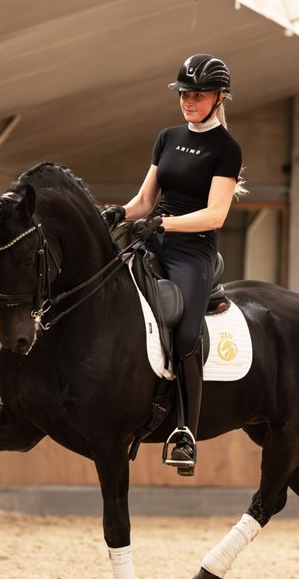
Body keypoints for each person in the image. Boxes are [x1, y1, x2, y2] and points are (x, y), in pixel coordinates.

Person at [102, 54, 244, 476]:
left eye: (197, 95)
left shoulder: (226, 150)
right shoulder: (166, 137)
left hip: (192, 251)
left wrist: (163, 222)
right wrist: (116, 213)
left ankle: (184, 430)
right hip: (152, 238)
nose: (188, 101)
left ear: (219, 98)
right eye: (184, 93)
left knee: (183, 328)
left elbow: (216, 215)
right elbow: (144, 201)